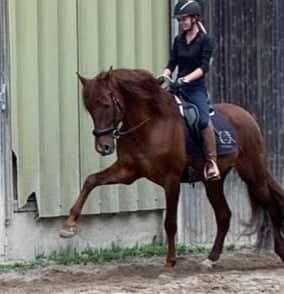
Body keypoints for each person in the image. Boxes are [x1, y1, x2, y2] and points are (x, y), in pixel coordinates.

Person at [163, 0, 220, 181]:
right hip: (177, 87)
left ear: (195, 18)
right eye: (179, 20)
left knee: (203, 121)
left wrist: (185, 79)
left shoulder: (206, 40)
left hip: (195, 89)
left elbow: (204, 68)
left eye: (184, 19)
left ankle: (212, 162)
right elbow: (172, 63)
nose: (182, 23)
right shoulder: (178, 40)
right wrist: (164, 75)